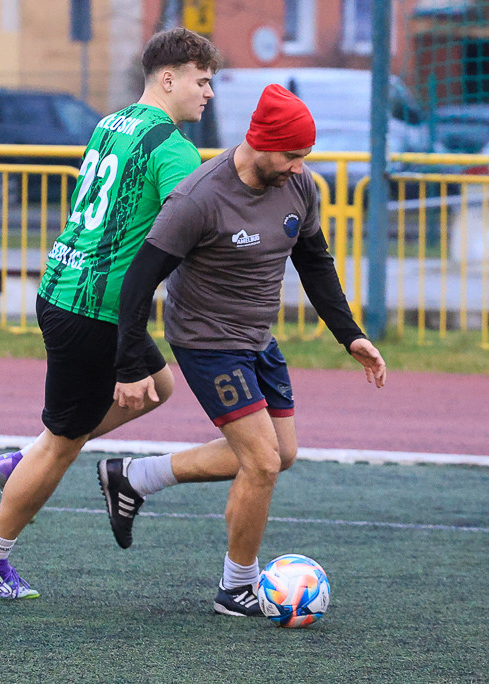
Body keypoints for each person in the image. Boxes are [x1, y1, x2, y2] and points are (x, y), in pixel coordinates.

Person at [0, 27, 222, 600]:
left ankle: (21, 459)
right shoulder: (172, 149)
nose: (209, 94)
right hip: (95, 308)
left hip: (64, 285)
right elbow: (189, 232)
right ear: (169, 78)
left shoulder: (113, 121)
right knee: (64, 440)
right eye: (202, 81)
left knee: (157, 387)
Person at [103, 83, 387, 616]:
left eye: (306, 156)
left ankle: (135, 476)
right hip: (206, 342)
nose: (300, 167)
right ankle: (237, 587)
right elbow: (139, 281)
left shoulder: (300, 188)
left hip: (258, 338)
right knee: (261, 462)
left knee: (284, 454)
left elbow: (315, 262)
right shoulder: (198, 198)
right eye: (292, 154)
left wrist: (350, 335)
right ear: (260, 142)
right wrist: (128, 361)